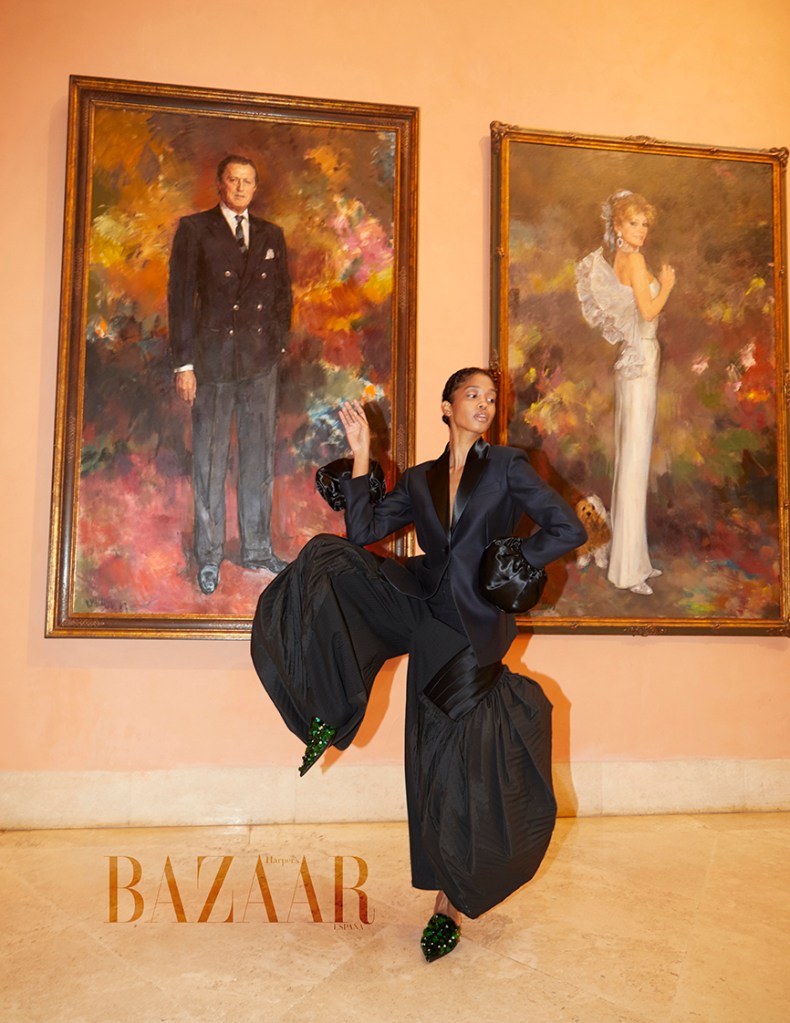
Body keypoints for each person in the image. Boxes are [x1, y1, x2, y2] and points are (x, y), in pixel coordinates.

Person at [251, 367, 586, 961]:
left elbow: (568, 527)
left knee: (448, 762)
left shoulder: (507, 466)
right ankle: (329, 708)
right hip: (423, 610)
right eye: (472, 395)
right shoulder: (420, 478)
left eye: (491, 398)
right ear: (446, 407)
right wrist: (361, 455)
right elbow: (363, 530)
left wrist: (511, 560)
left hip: (473, 628)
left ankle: (447, 903)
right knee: (328, 558)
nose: (484, 404)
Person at [168, 154, 293, 595]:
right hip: (212, 362)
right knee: (210, 461)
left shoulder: (271, 234)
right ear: (219, 184)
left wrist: (276, 348)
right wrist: (184, 364)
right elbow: (181, 299)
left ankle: (257, 548)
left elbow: (282, 298)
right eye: (233, 180)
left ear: (255, 187)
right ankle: (209, 556)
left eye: (247, 181)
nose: (240, 188)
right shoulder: (195, 229)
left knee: (258, 459)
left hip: (259, 363)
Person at [575, 190, 676, 595]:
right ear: (617, 226)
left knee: (632, 461)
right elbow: (649, 311)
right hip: (639, 361)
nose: (641, 230)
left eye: (644, 224)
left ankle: (634, 561)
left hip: (635, 360)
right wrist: (668, 285)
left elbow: (637, 313)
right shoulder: (634, 260)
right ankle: (627, 571)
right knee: (633, 462)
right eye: (633, 223)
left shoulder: (622, 258)